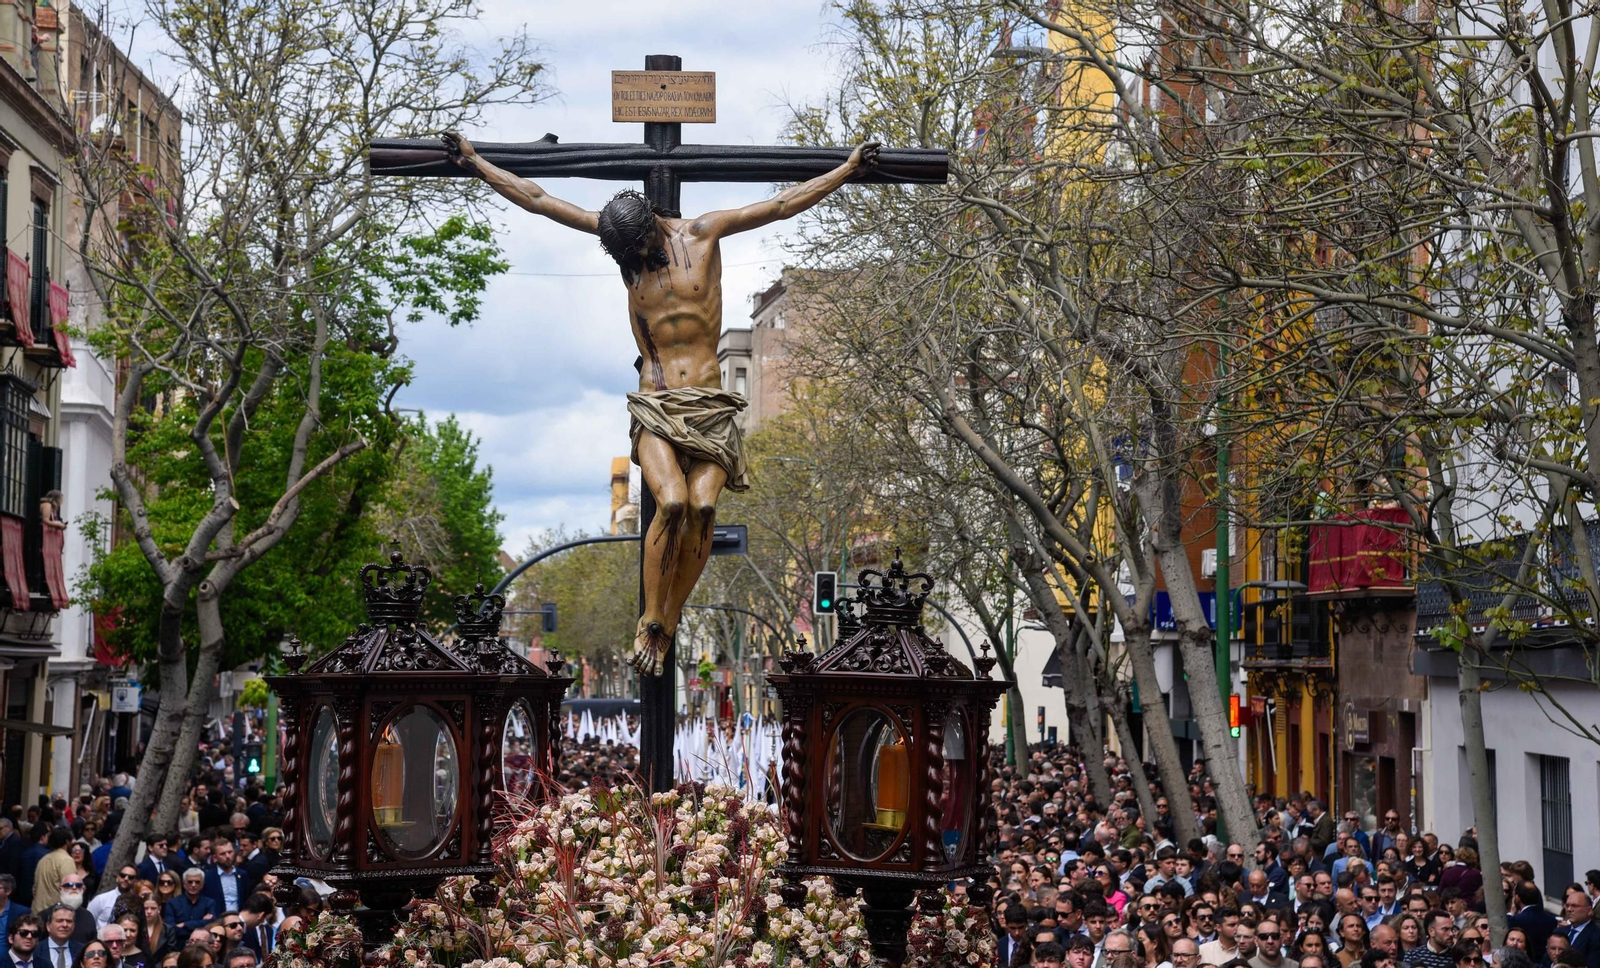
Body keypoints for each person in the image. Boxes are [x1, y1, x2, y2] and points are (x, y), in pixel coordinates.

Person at [444, 130, 880, 675]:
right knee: (670, 502)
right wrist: (477, 162)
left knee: (702, 508)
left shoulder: (705, 233)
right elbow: (540, 201)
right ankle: (652, 618)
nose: (642, 265)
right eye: (631, 261)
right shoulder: (627, 253)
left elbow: (780, 204)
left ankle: (669, 620)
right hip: (654, 402)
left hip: (709, 404)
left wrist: (847, 169)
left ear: (653, 222)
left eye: (645, 252)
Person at [32, 832, 75, 914]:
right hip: (55, 913)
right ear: (67, 842)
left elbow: (34, 889)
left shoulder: (43, 860)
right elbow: (70, 889)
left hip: (38, 910)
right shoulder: (66, 860)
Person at [162, 874, 215, 938]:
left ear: (202, 885)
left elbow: (211, 924)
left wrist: (185, 924)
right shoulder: (172, 903)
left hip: (202, 943)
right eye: (190, 882)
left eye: (197, 882)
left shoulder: (209, 903)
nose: (193, 885)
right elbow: (170, 929)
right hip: (179, 943)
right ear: (184, 884)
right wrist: (201, 923)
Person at [1562, 890, 1600, 968]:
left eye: (1574, 906)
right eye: (1567, 905)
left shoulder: (1596, 936)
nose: (1569, 909)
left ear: (1589, 911)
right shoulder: (1560, 931)